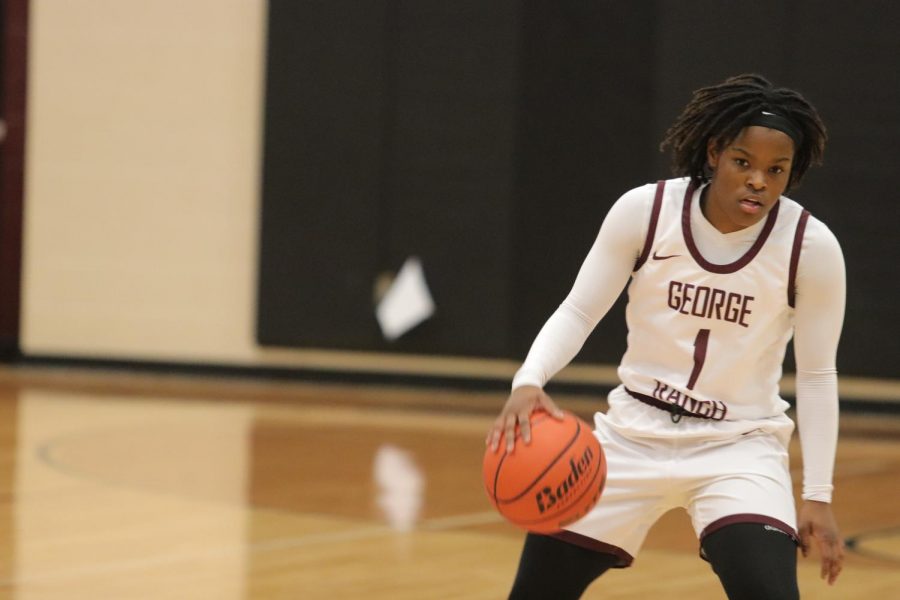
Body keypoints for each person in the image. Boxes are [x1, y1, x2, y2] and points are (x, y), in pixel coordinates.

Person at [486, 74, 845, 600]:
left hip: (739, 447)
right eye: (743, 163)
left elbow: (816, 376)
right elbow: (580, 309)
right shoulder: (646, 212)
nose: (758, 182)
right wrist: (529, 380)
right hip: (630, 437)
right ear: (715, 151)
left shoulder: (811, 248)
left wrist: (817, 493)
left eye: (776, 170)